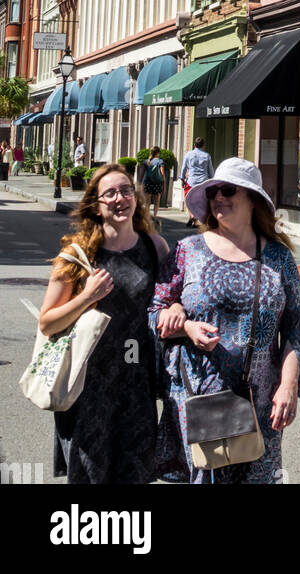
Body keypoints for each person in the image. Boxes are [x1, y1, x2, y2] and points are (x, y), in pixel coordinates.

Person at [150, 157, 300, 485]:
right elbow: (154, 311)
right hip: (198, 398)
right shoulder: (188, 251)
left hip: (258, 403)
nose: (218, 196)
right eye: (214, 190)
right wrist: (184, 324)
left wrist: (288, 386)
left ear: (251, 200)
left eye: (227, 190)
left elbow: (294, 332)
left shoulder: (278, 258)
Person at [37, 162, 187, 484]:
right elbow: (47, 323)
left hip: (137, 386)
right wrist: (85, 298)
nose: (120, 198)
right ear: (96, 204)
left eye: (126, 190)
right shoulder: (78, 255)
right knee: (90, 477)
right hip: (88, 388)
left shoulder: (154, 247)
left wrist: (175, 306)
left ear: (136, 198)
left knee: (135, 476)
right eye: (110, 194)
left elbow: (170, 297)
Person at [180, 137, 214, 228]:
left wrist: (182, 179)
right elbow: (210, 170)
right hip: (203, 181)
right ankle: (194, 219)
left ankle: (192, 216)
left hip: (191, 181)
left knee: (188, 200)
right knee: (200, 201)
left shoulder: (189, 154)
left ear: (194, 145)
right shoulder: (207, 155)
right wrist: (212, 178)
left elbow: (184, 168)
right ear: (203, 145)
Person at [142, 146, 165, 228]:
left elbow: (142, 174)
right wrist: (164, 184)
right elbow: (162, 173)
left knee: (147, 202)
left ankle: (147, 218)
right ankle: (154, 217)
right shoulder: (160, 161)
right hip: (157, 183)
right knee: (156, 202)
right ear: (158, 153)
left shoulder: (146, 162)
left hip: (148, 183)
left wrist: (141, 183)